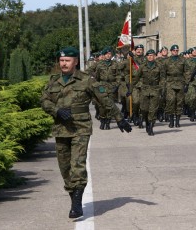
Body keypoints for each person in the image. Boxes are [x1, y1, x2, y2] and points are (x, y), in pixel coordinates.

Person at [40, 47, 131, 219]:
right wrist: (56, 110)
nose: (63, 63)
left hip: (80, 128)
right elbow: (44, 100)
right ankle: (72, 195)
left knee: (77, 165)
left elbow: (104, 99)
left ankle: (76, 204)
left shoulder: (86, 80)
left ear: (75, 62)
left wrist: (119, 118)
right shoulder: (53, 80)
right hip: (61, 129)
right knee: (65, 168)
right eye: (61, 60)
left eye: (67, 60)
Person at [132, 49, 164, 135]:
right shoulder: (142, 66)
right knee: (144, 109)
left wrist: (161, 89)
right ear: (146, 57)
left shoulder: (159, 66)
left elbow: (163, 79)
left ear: (155, 56)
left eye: (152, 55)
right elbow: (137, 78)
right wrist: (130, 87)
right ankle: (147, 122)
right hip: (145, 89)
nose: (150, 57)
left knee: (153, 109)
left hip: (155, 89)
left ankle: (151, 126)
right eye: (148, 55)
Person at [162, 44, 187, 128]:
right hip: (170, 83)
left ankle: (177, 121)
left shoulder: (183, 60)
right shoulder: (167, 61)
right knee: (171, 101)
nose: (175, 52)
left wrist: (186, 83)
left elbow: (186, 72)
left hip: (180, 83)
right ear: (171, 51)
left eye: (177, 50)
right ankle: (171, 120)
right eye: (174, 50)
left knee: (179, 102)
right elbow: (163, 74)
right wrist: (163, 85)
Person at [95, 47, 119, 130]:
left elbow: (118, 75)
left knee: (110, 105)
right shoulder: (99, 64)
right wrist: (98, 86)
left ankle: (108, 122)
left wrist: (116, 85)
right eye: (106, 54)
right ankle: (102, 120)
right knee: (102, 106)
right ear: (104, 55)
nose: (108, 55)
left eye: (109, 54)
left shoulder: (115, 64)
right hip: (102, 86)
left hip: (112, 86)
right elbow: (97, 77)